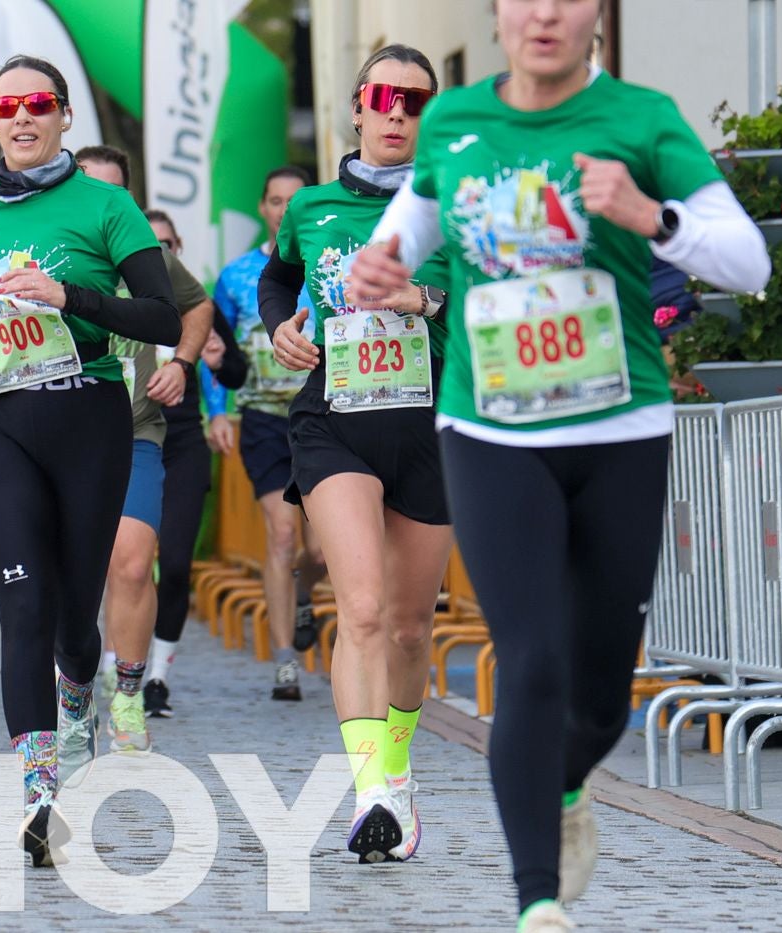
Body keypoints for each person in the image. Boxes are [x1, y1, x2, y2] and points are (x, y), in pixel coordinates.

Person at [350, 1, 770, 928]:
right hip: (491, 431)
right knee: (532, 659)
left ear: (597, 18)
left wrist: (649, 216)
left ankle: (570, 783)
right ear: (499, 15)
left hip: (620, 429)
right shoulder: (456, 123)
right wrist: (370, 272)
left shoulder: (643, 118)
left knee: (601, 689)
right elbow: (398, 241)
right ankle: (537, 901)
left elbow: (749, 263)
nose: (545, 13)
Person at [0, 54, 180, 866]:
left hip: (86, 417)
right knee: (22, 609)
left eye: (39, 104)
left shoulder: (106, 206)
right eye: (7, 106)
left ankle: (80, 690)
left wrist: (74, 298)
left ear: (65, 116)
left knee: (71, 617)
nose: (21, 118)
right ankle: (40, 792)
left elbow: (162, 313)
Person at [260, 44, 452, 866]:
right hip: (333, 419)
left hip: (430, 423)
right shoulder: (313, 205)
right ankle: (370, 788)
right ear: (358, 107)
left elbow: (491, 293)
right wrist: (279, 326)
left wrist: (424, 297)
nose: (399, 113)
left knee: (410, 628)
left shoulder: (452, 205)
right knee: (363, 608)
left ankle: (397, 772)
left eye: (416, 100)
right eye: (386, 97)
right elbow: (280, 278)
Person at [74, 146, 213, 749]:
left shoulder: (147, 256)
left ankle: (128, 692)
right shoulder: (45, 250)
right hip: (61, 431)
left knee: (133, 561)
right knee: (70, 573)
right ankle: (73, 691)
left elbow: (197, 305)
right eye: (90, 190)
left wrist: (182, 363)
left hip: (135, 430)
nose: (103, 205)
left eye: (114, 194)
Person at [207, 166, 327, 701]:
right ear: (262, 208)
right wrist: (216, 411)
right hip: (261, 419)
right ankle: (285, 661)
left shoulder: (328, 266)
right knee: (281, 535)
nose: (283, 210)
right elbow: (216, 349)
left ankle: (304, 594)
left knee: (320, 552)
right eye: (275, 200)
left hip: (325, 412)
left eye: (293, 201)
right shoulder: (236, 275)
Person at [140, 208, 249, 719]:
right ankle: (116, 666)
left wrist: (217, 359)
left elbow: (236, 373)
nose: (161, 255)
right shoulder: (125, 302)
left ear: (178, 248)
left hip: (182, 441)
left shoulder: (198, 306)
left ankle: (157, 676)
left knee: (176, 562)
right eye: (151, 245)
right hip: (130, 437)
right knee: (126, 564)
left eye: (168, 245)